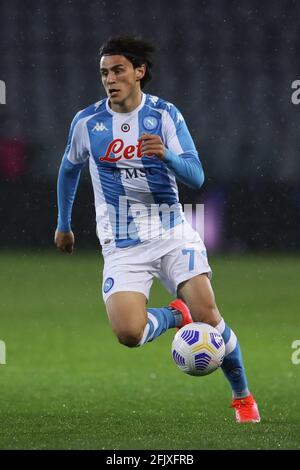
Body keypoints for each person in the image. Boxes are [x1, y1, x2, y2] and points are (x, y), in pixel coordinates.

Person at [54, 35, 260, 423]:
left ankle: (242, 397)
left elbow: (196, 176)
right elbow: (68, 169)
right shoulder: (87, 122)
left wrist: (166, 155)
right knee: (129, 334)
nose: (109, 79)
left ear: (139, 71)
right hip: (121, 243)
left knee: (209, 315)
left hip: (170, 234)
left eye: (117, 70)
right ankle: (173, 316)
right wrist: (63, 224)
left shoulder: (165, 116)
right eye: (103, 73)